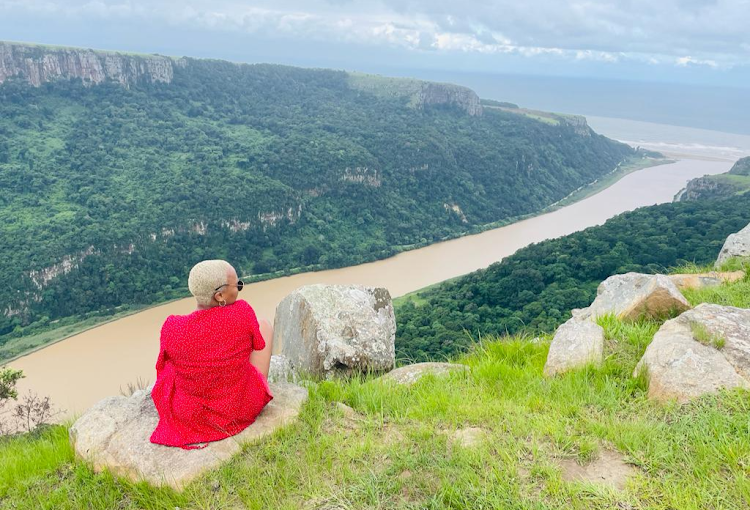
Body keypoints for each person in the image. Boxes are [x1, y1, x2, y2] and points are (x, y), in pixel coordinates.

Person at [150, 259, 274, 449]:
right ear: (220, 295)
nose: (240, 288)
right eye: (238, 285)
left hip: (190, 415)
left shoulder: (172, 327)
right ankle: (258, 387)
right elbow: (259, 344)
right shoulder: (242, 312)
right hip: (238, 409)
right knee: (263, 326)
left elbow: (162, 367)